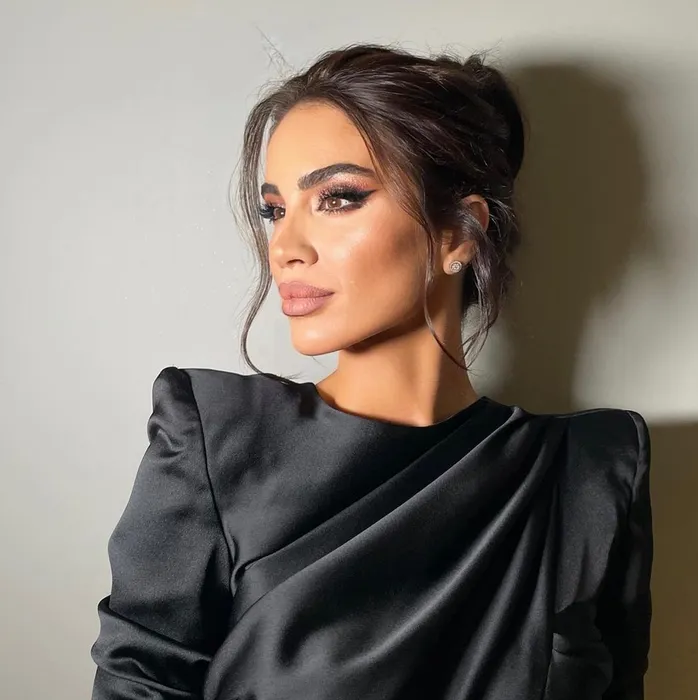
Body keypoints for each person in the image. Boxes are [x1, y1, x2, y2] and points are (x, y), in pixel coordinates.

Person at [90, 43, 652, 700]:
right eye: (274, 210)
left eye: (337, 198)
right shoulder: (217, 440)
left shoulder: (589, 473)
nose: (285, 247)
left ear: (458, 232)